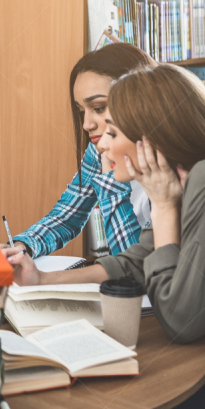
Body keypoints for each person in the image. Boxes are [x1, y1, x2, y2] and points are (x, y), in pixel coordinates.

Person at [3, 64, 205, 409]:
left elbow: (182, 323)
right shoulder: (201, 171)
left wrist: (163, 208)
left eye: (113, 132)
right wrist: (42, 280)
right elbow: (135, 259)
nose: (100, 142)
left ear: (152, 139)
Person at [11, 43, 156, 259]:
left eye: (98, 108)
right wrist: (22, 247)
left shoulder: (171, 163)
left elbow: (136, 268)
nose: (87, 124)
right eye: (81, 111)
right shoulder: (98, 151)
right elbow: (67, 215)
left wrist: (112, 187)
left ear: (139, 99)